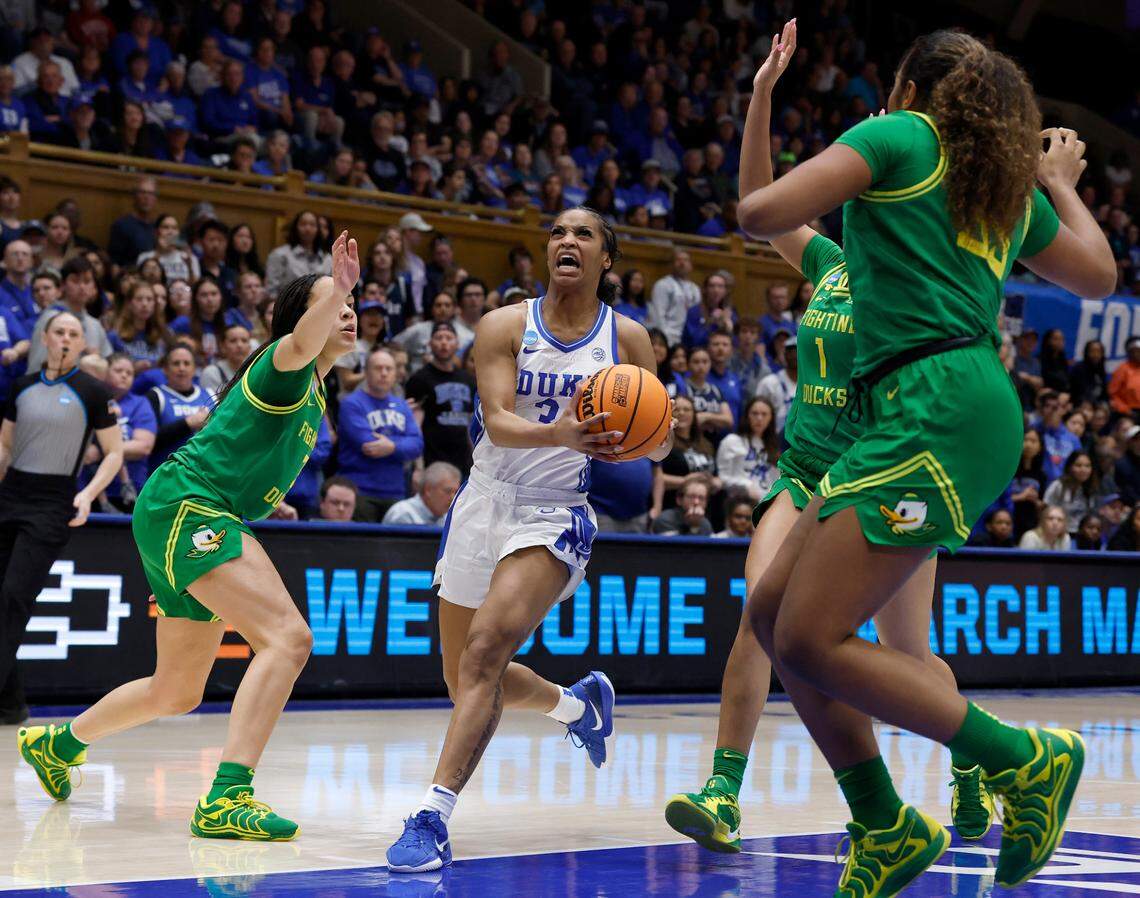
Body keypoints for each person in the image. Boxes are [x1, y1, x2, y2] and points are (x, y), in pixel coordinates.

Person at [737, 26, 1113, 893]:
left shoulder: (897, 137)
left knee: (807, 634)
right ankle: (885, 825)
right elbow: (1096, 274)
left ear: (910, 88)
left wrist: (805, 119)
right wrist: (1056, 181)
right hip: (931, 403)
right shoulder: (999, 187)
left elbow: (758, 210)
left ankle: (1023, 759)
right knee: (770, 614)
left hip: (932, 403)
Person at [19, 233, 359, 839]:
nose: (348, 309)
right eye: (333, 301)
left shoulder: (315, 390)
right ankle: (228, 796)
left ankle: (58, 744)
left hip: (188, 509)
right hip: (190, 505)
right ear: (303, 319)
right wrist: (339, 287)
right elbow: (302, 341)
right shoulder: (285, 362)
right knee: (288, 639)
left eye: (351, 302)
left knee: (176, 692)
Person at [386, 207, 673, 874]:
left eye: (584, 234)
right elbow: (498, 420)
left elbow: (656, 443)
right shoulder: (503, 325)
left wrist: (655, 432)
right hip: (482, 500)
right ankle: (578, 706)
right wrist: (562, 432)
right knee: (466, 680)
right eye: (557, 233)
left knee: (486, 652)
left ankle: (432, 816)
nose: (566, 241)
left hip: (556, 513)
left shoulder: (627, 338)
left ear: (607, 259)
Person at [1, 312, 123, 725]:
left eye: (75, 334)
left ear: (82, 343)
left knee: (14, 594)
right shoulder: (22, 386)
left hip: (54, 501)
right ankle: (11, 703)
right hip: (11, 493)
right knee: (3, 598)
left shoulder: (93, 390)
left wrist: (87, 495)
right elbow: (4, 446)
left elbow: (114, 453)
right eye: (60, 333)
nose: (67, 339)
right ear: (45, 339)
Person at [336, 347, 423, 522]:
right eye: (378, 368)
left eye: (389, 369)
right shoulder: (351, 404)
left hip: (396, 491)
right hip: (359, 491)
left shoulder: (402, 406)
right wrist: (401, 445)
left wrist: (392, 446)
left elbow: (417, 445)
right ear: (366, 372)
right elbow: (368, 445)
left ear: (395, 374)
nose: (384, 373)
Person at [404, 322, 476, 476]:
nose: (444, 342)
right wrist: (418, 467)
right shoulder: (419, 379)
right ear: (430, 344)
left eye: (449, 338)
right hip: (432, 461)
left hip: (464, 462)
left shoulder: (468, 380)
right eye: (439, 338)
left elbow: (471, 424)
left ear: (457, 344)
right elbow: (414, 424)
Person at [91, 353, 156, 511]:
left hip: (130, 492)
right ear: (105, 372)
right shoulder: (91, 396)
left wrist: (101, 450)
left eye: (130, 373)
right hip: (90, 491)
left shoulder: (140, 403)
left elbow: (143, 447)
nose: (124, 376)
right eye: (119, 370)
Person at [27, 257, 112, 371]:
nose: (82, 287)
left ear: (93, 287)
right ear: (63, 286)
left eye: (87, 281)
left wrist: (99, 361)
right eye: (75, 281)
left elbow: (109, 368)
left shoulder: (95, 325)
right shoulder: (50, 318)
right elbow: (36, 366)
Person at [146, 344, 215, 471]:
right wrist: (187, 423)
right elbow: (148, 442)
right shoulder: (156, 395)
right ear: (165, 369)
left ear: (194, 369)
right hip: (166, 473)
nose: (181, 368)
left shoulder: (211, 395)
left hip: (204, 474)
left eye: (187, 363)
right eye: (176, 363)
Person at [715, 397, 780, 502]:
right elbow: (722, 478)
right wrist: (745, 487)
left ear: (771, 418)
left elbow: (776, 481)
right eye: (755, 413)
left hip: (767, 504)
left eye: (764, 414)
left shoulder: (773, 447)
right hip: (739, 501)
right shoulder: (731, 442)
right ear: (747, 416)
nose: (759, 418)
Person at [265, 211, 331, 300]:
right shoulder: (280, 255)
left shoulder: (328, 259)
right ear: (295, 228)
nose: (308, 228)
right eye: (303, 224)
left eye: (312, 225)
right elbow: (271, 291)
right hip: (288, 309)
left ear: (318, 229)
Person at [108, 279, 167, 372]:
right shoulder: (115, 336)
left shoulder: (163, 336)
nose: (145, 304)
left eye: (149, 299)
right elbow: (109, 369)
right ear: (129, 304)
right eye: (139, 299)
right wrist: (133, 368)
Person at [1042, 450, 1105, 534]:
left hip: (1082, 536)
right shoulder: (1058, 486)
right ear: (1070, 467)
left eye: (1087, 466)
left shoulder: (1092, 488)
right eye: (1078, 465)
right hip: (1059, 535)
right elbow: (1045, 511)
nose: (1083, 469)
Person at [647, 248, 700, 346]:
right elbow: (658, 315)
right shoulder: (663, 285)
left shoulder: (695, 289)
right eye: (678, 260)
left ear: (691, 265)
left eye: (686, 260)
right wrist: (665, 340)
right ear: (671, 264)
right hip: (670, 337)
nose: (682, 263)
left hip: (689, 338)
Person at [382, 461, 461, 526]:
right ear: (428, 490)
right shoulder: (403, 514)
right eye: (447, 491)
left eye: (455, 492)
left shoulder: (448, 518)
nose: (452, 498)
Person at [684, 345, 733, 440]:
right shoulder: (684, 387)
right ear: (688, 365)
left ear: (710, 364)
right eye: (696, 362)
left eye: (705, 362)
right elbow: (688, 420)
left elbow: (729, 420)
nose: (701, 366)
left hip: (715, 442)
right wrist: (717, 420)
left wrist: (706, 416)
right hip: (692, 441)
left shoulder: (716, 390)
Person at [108, 177, 158, 267]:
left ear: (155, 199)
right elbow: (114, 263)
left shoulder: (158, 226)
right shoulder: (122, 225)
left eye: (151, 193)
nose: (146, 197)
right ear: (135, 196)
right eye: (143, 192)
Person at [137, 214, 200, 284]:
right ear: (156, 232)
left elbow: (195, 287)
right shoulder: (144, 257)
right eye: (165, 227)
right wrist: (159, 254)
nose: (170, 232)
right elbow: (144, 284)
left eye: (174, 228)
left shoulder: (189, 257)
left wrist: (189, 266)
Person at [753, 333, 797, 433]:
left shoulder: (811, 386)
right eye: (791, 351)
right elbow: (756, 413)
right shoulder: (769, 383)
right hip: (774, 440)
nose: (795, 355)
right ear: (785, 354)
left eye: (798, 351)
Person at [200, 324, 253, 399]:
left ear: (250, 346)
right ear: (222, 346)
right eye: (233, 341)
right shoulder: (211, 373)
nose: (239, 345)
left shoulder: (256, 371)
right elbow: (211, 406)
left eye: (244, 341)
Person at [1108, 336, 1140, 419]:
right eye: (1135, 351)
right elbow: (1113, 394)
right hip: (1129, 413)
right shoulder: (1122, 369)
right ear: (1130, 352)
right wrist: (1126, 410)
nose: (1138, 354)